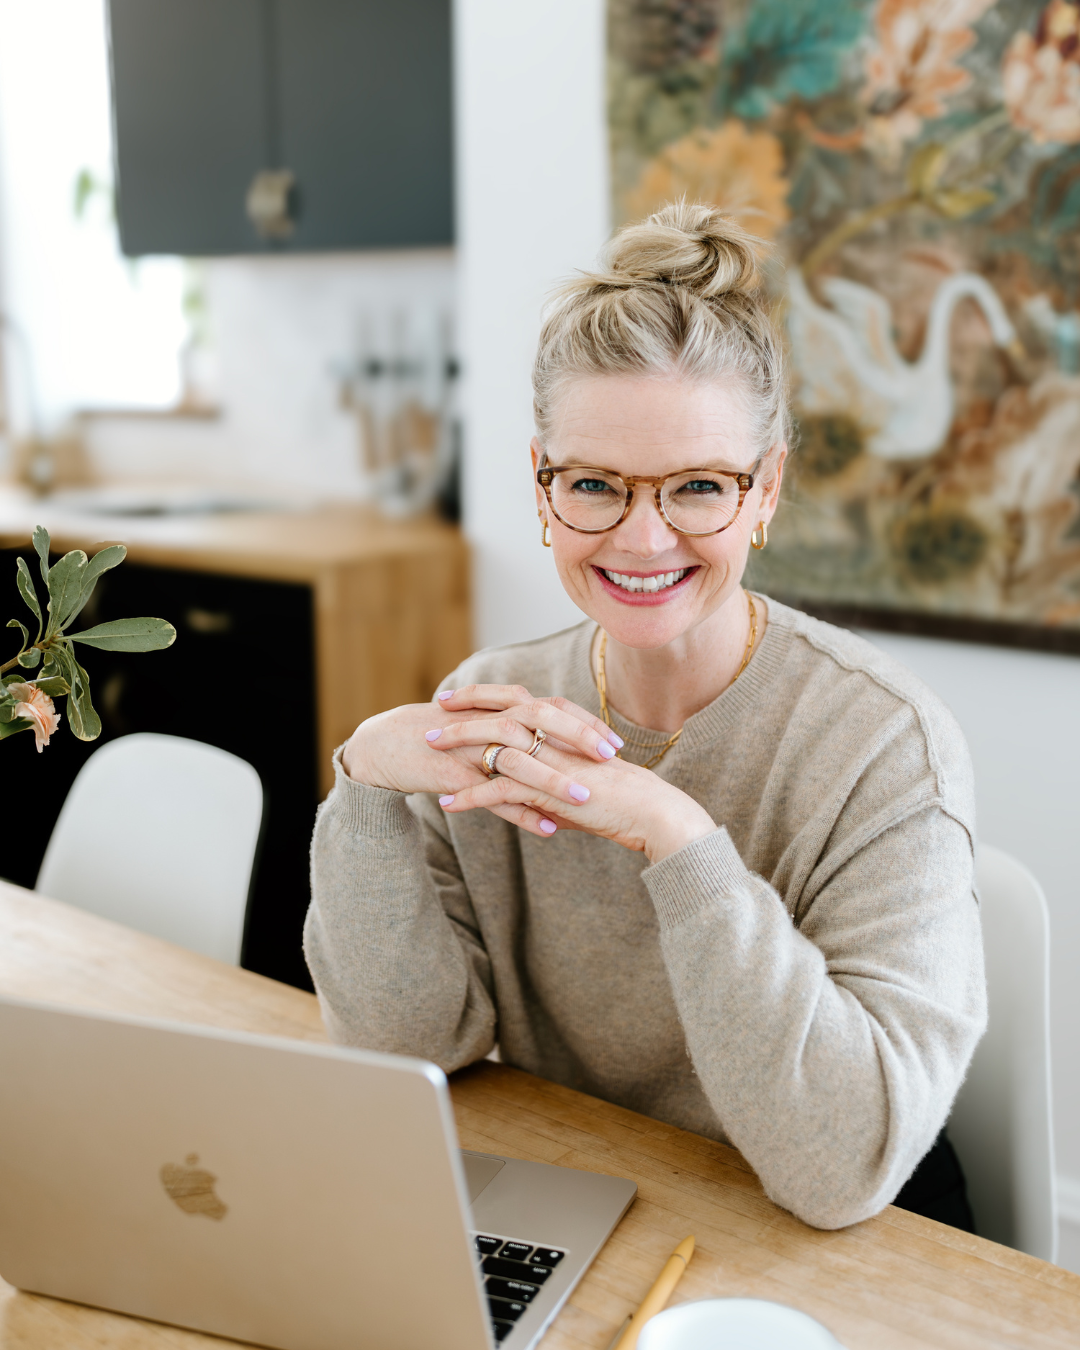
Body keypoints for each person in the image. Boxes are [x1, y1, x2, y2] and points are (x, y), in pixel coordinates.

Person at [305, 202, 986, 1231]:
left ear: (766, 490)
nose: (642, 537)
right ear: (543, 484)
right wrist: (362, 786)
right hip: (594, 1194)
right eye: (595, 485)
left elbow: (840, 1170)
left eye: (700, 487)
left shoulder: (885, 744)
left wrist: (676, 836)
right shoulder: (493, 702)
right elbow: (410, 1052)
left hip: (837, 1234)